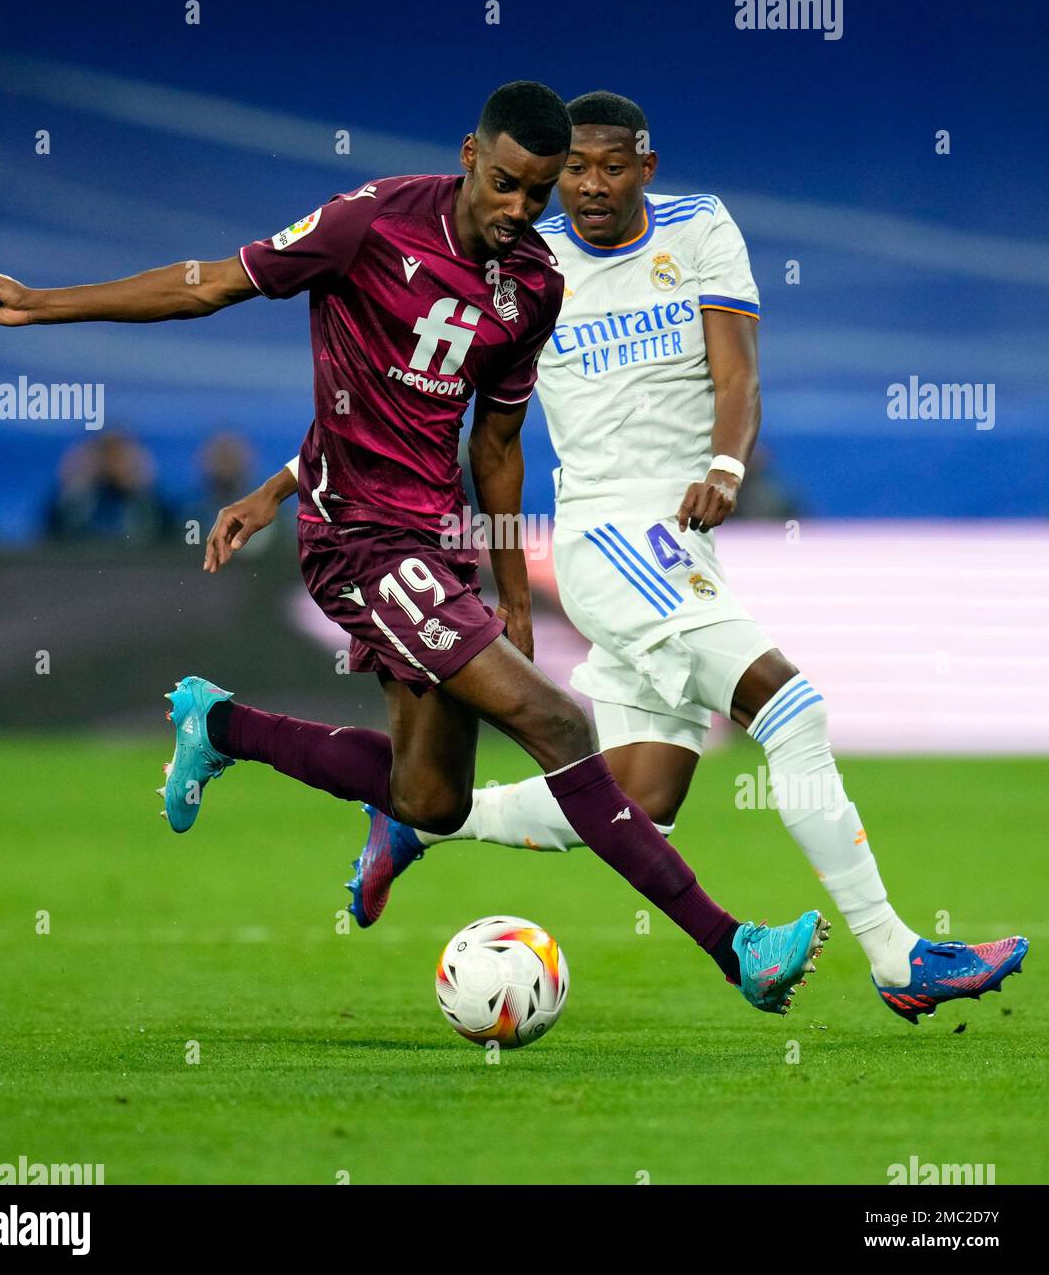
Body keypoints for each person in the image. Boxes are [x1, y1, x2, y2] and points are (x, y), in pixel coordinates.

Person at [0, 81, 828, 1017]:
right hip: (357, 539)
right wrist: (42, 305)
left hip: (434, 543)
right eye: (506, 184)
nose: (519, 210)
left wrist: (515, 598)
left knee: (432, 800)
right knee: (562, 728)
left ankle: (219, 727)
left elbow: (491, 445)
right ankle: (737, 948)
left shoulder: (533, 284)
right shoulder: (368, 223)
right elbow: (208, 283)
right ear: (469, 155)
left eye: (537, 194)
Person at [212, 90, 1027, 1026]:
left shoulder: (701, 230)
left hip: (685, 545)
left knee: (636, 800)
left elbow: (738, 373)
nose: (588, 188)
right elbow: (403, 402)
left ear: (647, 166)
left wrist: (726, 463)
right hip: (610, 539)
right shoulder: (525, 266)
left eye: (610, 167)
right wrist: (281, 486)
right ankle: (898, 954)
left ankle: (421, 815)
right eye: (572, 173)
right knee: (791, 706)